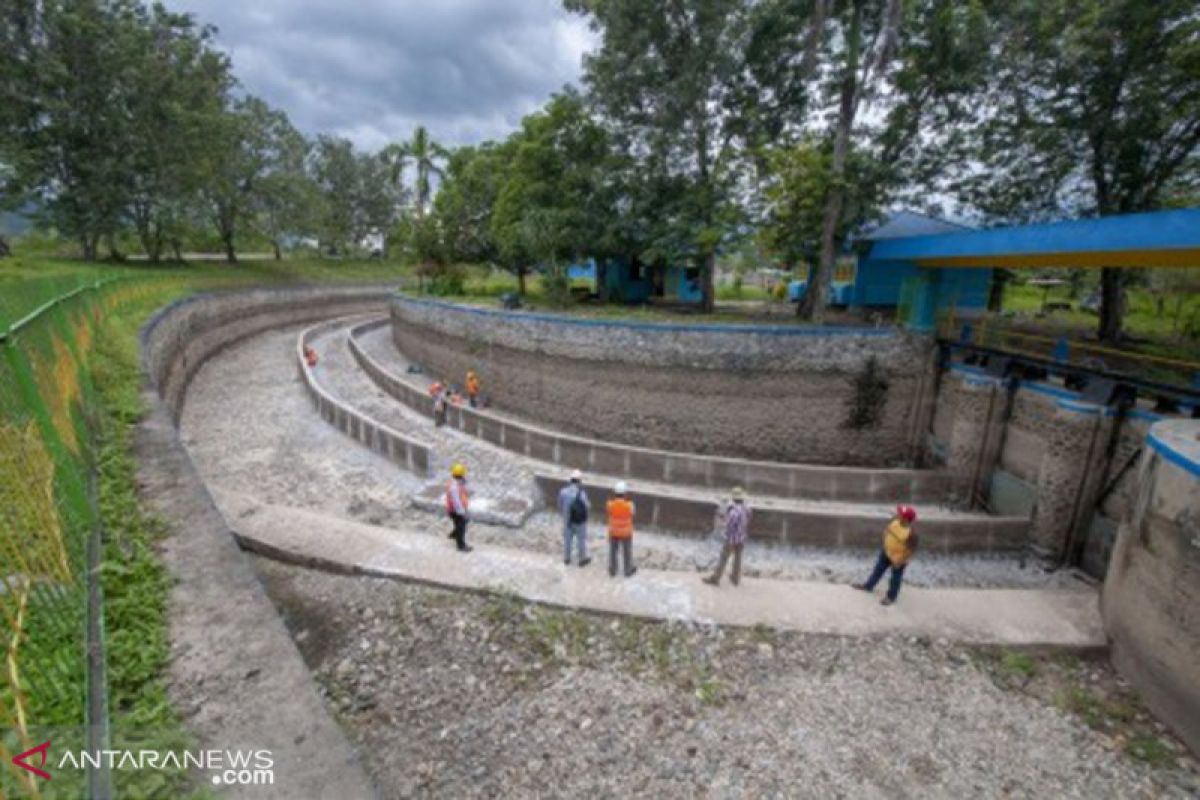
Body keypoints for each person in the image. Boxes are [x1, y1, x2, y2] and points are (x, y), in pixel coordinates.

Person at [852, 505, 918, 605]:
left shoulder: (911, 534)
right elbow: (887, 532)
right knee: (877, 571)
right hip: (886, 552)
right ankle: (868, 586)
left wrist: (900, 561)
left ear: (906, 519)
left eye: (901, 514)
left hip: (898, 559)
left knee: (895, 579)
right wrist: (885, 543)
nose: (898, 514)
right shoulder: (895, 522)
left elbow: (911, 550)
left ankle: (891, 597)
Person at [702, 487, 751, 587]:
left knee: (723, 558)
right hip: (741, 537)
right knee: (738, 559)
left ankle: (716, 578)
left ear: (733, 498)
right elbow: (747, 520)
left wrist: (722, 518)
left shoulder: (733, 512)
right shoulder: (747, 509)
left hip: (731, 539)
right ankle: (735, 578)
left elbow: (729, 525)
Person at [557, 469, 592, 567]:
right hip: (579, 522)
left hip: (567, 521)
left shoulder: (563, 492)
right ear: (579, 481)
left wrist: (563, 514)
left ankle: (567, 558)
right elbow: (587, 507)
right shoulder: (581, 493)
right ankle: (582, 559)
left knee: (567, 540)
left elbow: (559, 505)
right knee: (581, 540)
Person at [606, 481, 637, 578]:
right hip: (626, 532)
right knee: (627, 551)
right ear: (625, 493)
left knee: (613, 551)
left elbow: (609, 513)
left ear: (615, 492)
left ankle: (612, 569)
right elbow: (633, 514)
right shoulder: (630, 505)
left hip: (613, 531)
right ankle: (628, 569)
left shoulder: (610, 504)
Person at [444, 463, 472, 552]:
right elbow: (456, 501)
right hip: (456, 510)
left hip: (456, 509)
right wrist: (462, 512)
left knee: (460, 523)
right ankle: (461, 545)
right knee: (461, 526)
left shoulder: (457, 483)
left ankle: (454, 534)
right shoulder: (454, 487)